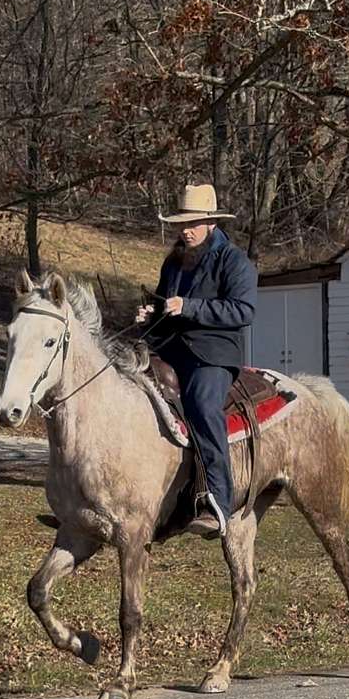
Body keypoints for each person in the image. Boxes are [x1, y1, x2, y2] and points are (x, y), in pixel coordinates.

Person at [137, 183, 257, 538]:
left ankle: (218, 500)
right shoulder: (175, 260)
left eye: (191, 223)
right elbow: (166, 305)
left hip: (213, 354)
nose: (184, 230)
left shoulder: (234, 261)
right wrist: (152, 313)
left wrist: (189, 307)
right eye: (180, 224)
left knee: (203, 406)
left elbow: (243, 310)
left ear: (211, 223)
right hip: (171, 346)